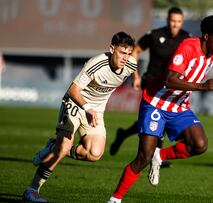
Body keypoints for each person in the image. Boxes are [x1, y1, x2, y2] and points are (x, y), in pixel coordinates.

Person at [107, 15, 213, 203]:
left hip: (179, 106)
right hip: (156, 102)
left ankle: (161, 155)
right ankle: (115, 199)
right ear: (206, 36)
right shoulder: (188, 47)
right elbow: (170, 80)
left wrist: (198, 88)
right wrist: (202, 87)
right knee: (143, 157)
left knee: (200, 145)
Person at [22, 32, 137, 202]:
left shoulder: (131, 65)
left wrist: (138, 79)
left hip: (95, 110)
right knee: (62, 149)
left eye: (129, 53)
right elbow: (73, 90)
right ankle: (32, 190)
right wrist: (87, 107)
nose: (125, 57)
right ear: (112, 49)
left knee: (94, 153)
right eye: (122, 52)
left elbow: (133, 68)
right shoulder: (96, 64)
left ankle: (54, 145)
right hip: (76, 104)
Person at [109, 7, 190, 158]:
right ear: (167, 20)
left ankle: (124, 135)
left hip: (171, 84)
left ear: (182, 22)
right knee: (158, 116)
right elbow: (135, 51)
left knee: (155, 118)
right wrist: (136, 76)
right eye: (173, 21)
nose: (175, 24)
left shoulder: (186, 38)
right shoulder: (154, 35)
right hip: (152, 82)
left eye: (179, 21)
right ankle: (156, 156)